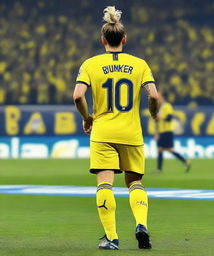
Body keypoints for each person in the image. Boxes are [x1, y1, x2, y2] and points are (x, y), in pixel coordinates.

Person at [73, 6, 159, 250]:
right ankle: (141, 224)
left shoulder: (90, 64)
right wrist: (152, 113)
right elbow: (153, 95)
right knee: (135, 184)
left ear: (103, 40)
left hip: (103, 133)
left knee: (104, 185)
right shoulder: (140, 64)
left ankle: (112, 238)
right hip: (131, 133)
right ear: (124, 39)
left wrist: (88, 117)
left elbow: (78, 96)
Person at [155, 92, 191, 172]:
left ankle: (159, 169)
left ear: (163, 97)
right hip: (163, 132)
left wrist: (160, 117)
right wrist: (157, 133)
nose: (157, 98)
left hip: (167, 131)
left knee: (164, 149)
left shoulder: (167, 106)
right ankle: (185, 162)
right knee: (163, 149)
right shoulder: (161, 107)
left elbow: (169, 118)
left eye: (159, 96)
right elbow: (159, 121)